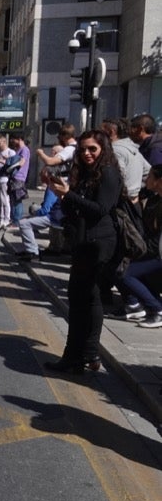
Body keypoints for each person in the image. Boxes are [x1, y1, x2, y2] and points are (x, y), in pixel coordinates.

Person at [43, 131, 121, 374]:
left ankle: (82, 354)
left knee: (86, 298)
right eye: (83, 149)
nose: (87, 153)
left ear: (103, 149)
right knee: (81, 298)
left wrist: (69, 194)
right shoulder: (87, 172)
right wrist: (61, 194)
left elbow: (99, 210)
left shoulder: (108, 173)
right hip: (84, 240)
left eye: (93, 149)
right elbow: (76, 208)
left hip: (98, 243)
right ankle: (83, 354)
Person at [113, 164, 162, 327]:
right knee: (121, 264)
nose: (145, 180)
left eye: (149, 177)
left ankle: (157, 310)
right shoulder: (154, 199)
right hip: (153, 250)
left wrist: (140, 251)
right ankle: (136, 304)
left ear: (159, 181)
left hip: (157, 253)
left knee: (126, 273)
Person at [6, 132, 31, 226]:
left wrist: (11, 167)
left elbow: (22, 162)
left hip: (19, 177)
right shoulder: (18, 150)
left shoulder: (25, 150)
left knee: (17, 200)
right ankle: (13, 220)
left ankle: (17, 222)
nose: (12, 142)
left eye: (13, 140)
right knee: (12, 200)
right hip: (13, 177)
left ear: (19, 139)